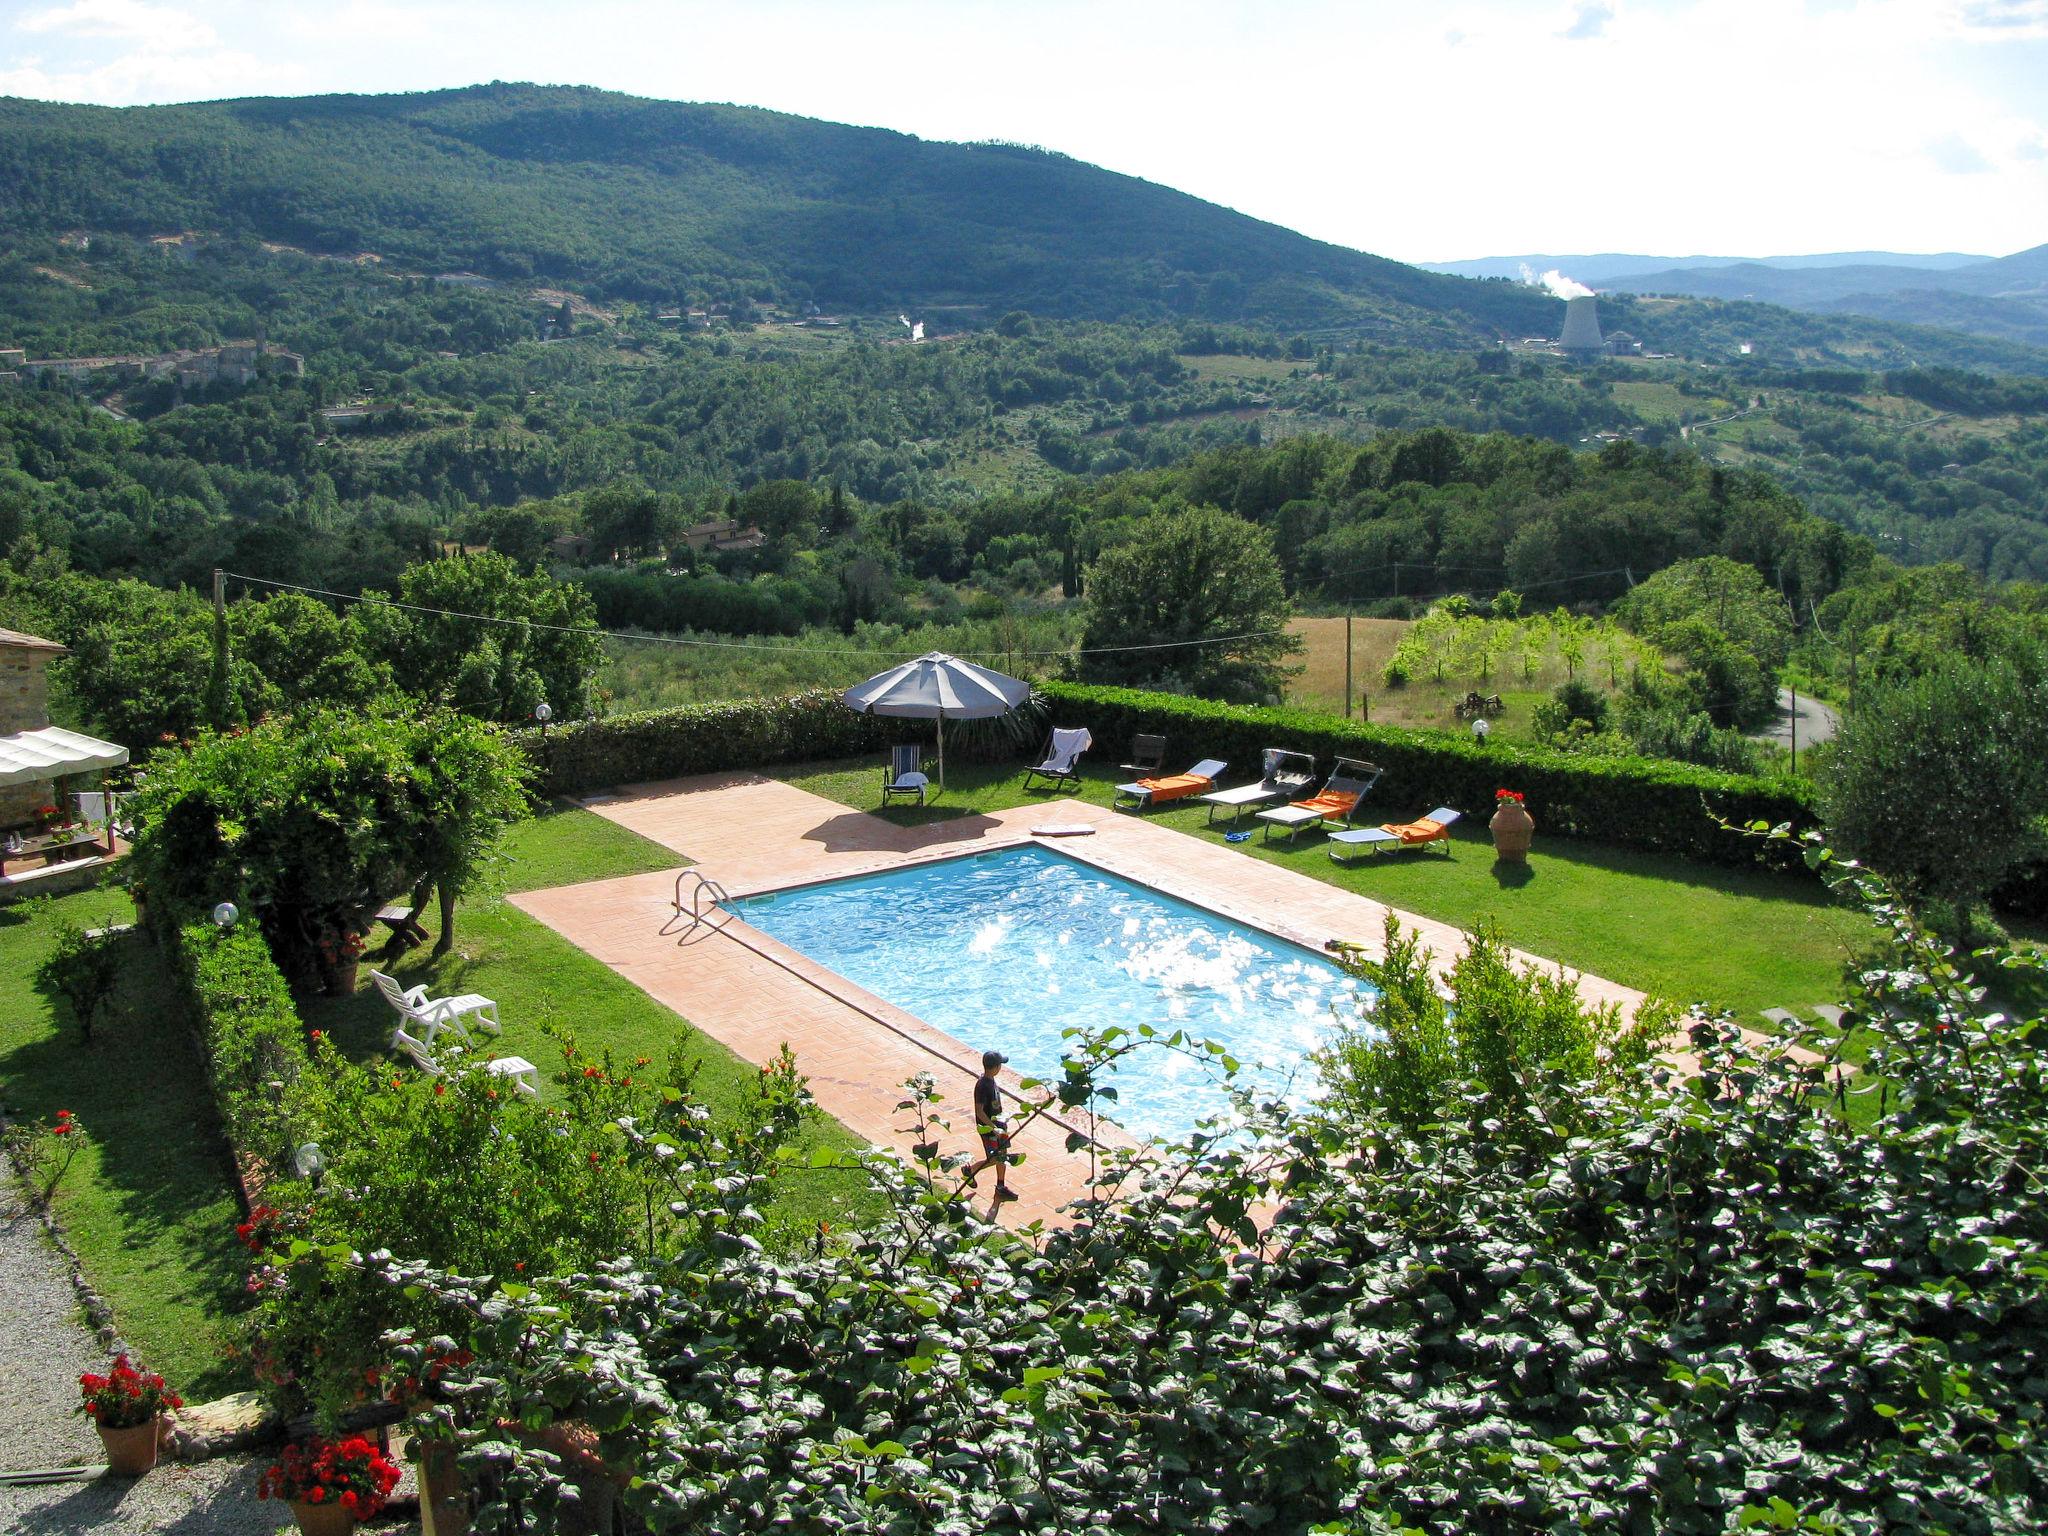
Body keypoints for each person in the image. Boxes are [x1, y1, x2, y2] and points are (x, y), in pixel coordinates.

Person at [965, 1049, 1017, 1203]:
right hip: (989, 1130)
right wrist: (993, 1128)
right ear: (995, 1067)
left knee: (1002, 1156)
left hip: (998, 1126)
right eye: (1000, 1065)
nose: (1001, 1067)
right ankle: (971, 1170)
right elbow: (979, 1112)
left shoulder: (990, 1080)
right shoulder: (982, 1085)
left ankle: (1000, 1186)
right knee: (995, 1158)